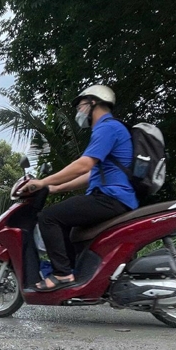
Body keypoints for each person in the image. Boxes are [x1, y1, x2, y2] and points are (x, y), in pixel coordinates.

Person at [21, 84, 137, 291]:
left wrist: (44, 182)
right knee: (71, 229)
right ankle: (75, 273)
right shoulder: (110, 129)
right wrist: (56, 188)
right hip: (112, 197)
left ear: (94, 103)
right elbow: (90, 175)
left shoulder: (107, 127)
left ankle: (63, 275)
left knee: (48, 217)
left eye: (81, 105)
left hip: (111, 198)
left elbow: (84, 165)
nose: (79, 111)